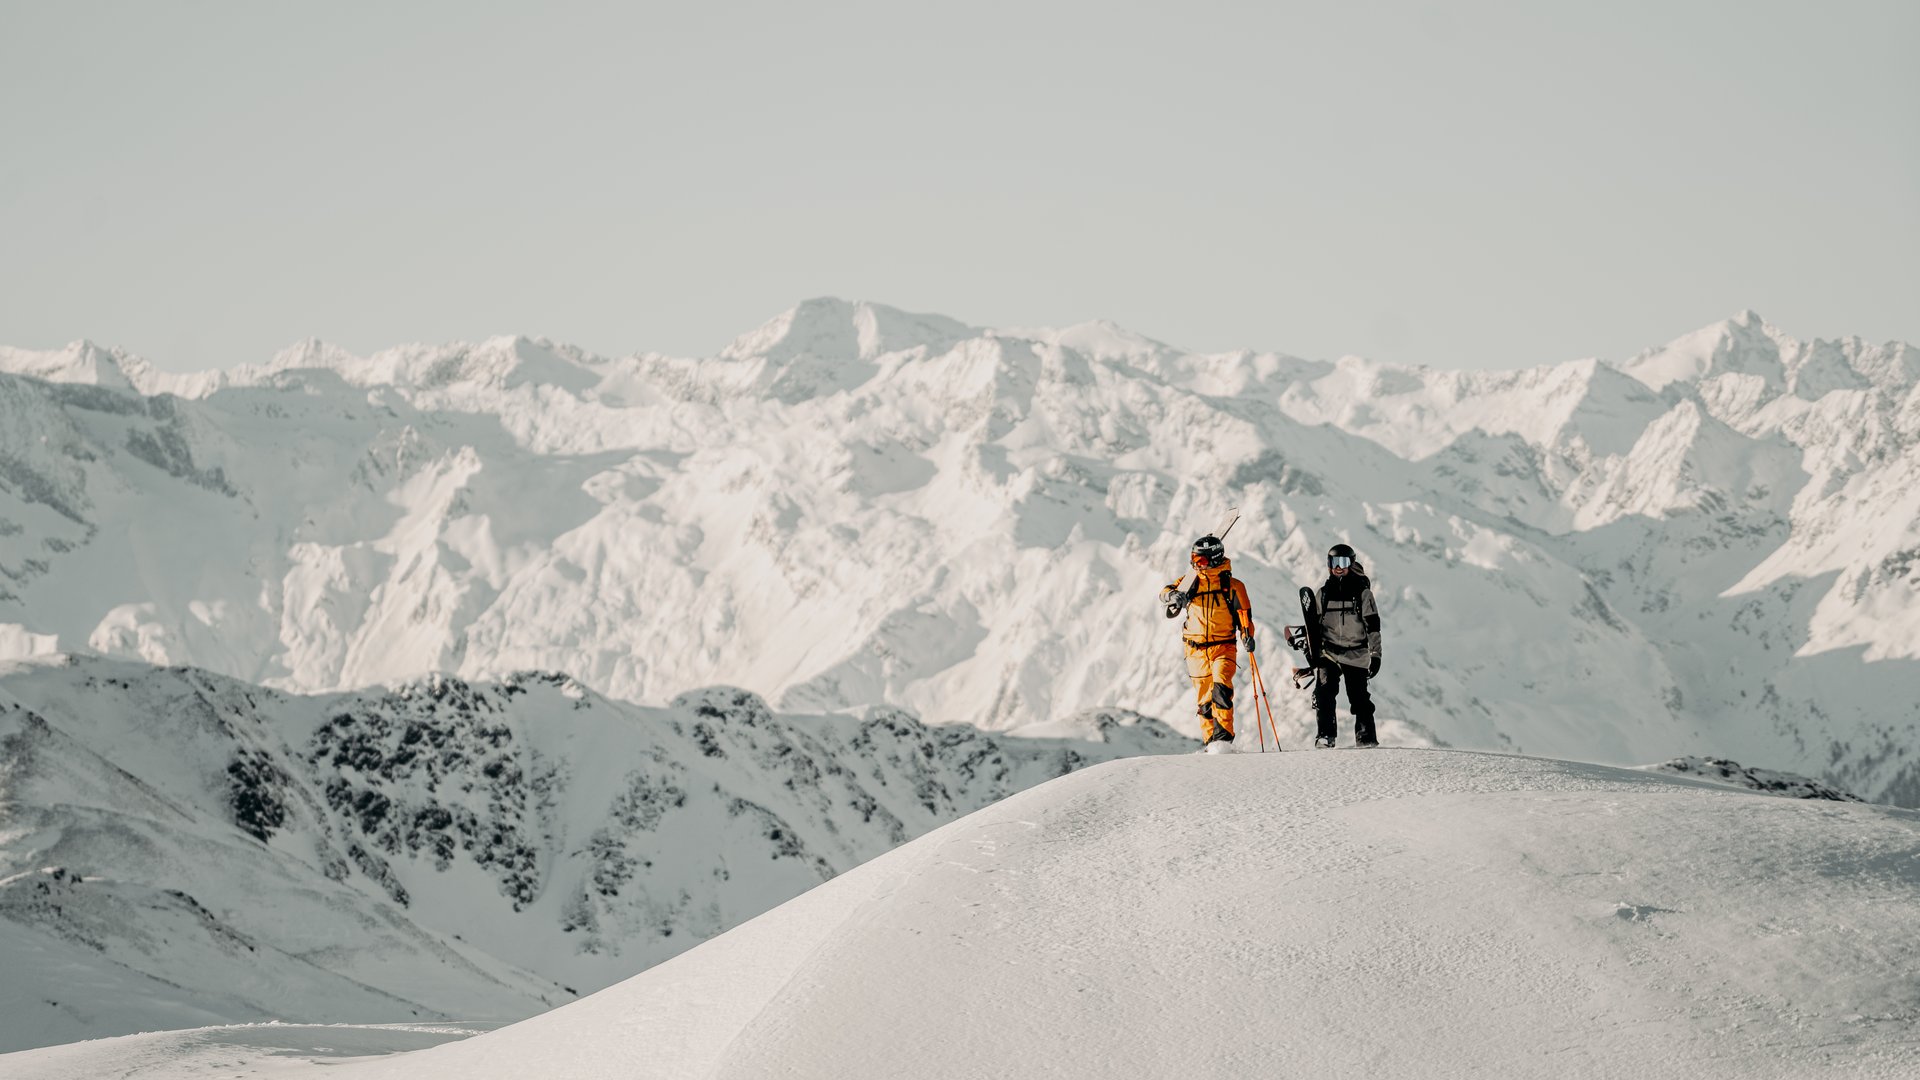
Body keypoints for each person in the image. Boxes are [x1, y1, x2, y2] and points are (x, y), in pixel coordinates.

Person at [1159, 535, 1256, 754]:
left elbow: (1244, 616)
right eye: (1193, 559)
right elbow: (1164, 593)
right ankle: (1211, 742)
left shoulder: (1233, 586)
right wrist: (1174, 596)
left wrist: (1247, 635)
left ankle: (1223, 740)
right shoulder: (1189, 583)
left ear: (1213, 559)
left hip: (1224, 647)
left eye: (1200, 560)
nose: (1195, 564)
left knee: (1221, 688)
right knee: (1204, 701)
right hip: (1194, 650)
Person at [1312, 543, 1381, 748]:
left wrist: (1375, 654)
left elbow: (1373, 627)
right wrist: (1311, 650)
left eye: (1343, 562)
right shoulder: (1323, 594)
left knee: (1359, 698)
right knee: (1324, 693)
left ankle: (1366, 739)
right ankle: (1325, 736)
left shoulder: (1363, 594)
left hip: (1356, 652)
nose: (1338, 567)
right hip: (1330, 652)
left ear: (1351, 564)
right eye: (1334, 562)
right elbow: (1313, 626)